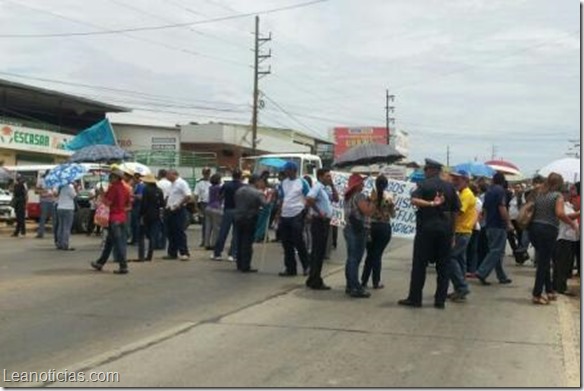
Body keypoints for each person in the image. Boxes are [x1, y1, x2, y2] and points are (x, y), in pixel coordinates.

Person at [398, 158, 460, 309]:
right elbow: (455, 212)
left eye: (426, 169)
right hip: (445, 230)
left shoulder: (424, 184)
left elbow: (414, 200)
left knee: (419, 265)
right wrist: (453, 233)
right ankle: (440, 301)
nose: (424, 172)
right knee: (443, 266)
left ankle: (415, 298)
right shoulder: (450, 187)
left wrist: (430, 204)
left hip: (426, 229)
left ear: (432, 170)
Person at [529, 173, 579, 304]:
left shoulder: (540, 194)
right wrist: (572, 222)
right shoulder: (557, 196)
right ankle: (537, 294)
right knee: (544, 263)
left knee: (544, 260)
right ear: (558, 184)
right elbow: (560, 213)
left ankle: (549, 290)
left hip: (535, 228)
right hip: (548, 230)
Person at [474, 173, 514, 285]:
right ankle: (482, 272)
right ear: (503, 181)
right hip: (498, 225)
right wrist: (508, 223)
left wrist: (485, 222)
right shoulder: (500, 191)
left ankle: (501, 276)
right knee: (496, 251)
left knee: (496, 251)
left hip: (490, 224)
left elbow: (485, 209)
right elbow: (502, 208)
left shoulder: (489, 192)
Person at [91, 169, 132, 274]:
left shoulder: (113, 188)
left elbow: (107, 202)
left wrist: (101, 195)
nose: (110, 178)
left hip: (114, 218)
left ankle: (123, 266)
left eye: (111, 177)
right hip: (122, 218)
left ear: (116, 178)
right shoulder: (125, 189)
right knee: (110, 242)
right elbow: (128, 206)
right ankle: (100, 262)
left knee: (118, 243)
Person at [447, 169, 476, 302]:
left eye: (457, 179)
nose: (455, 181)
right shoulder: (462, 193)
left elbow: (458, 211)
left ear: (466, 181)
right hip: (463, 231)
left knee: (450, 258)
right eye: (454, 179)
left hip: (461, 231)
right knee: (459, 260)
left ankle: (462, 286)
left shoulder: (466, 194)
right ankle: (460, 289)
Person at [361, 174, 395, 290]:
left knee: (370, 255)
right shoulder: (389, 198)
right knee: (377, 255)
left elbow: (366, 213)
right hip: (384, 228)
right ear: (386, 185)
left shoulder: (369, 197)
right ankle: (376, 281)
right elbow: (393, 214)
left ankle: (364, 281)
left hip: (371, 227)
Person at [343, 173, 374, 298]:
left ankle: (350, 285)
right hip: (358, 230)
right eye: (361, 182)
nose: (363, 184)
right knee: (355, 259)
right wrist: (373, 201)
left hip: (349, 228)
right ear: (356, 185)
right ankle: (355, 286)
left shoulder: (348, 197)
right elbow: (367, 211)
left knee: (351, 258)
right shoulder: (359, 196)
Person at [278, 161, 311, 277]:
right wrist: (278, 215)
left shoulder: (302, 182)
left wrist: (307, 212)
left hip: (297, 213)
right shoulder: (283, 183)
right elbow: (282, 198)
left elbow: (309, 197)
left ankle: (307, 266)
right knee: (286, 243)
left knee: (298, 241)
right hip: (285, 214)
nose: (285, 172)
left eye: (287, 170)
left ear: (293, 170)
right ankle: (290, 268)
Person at [305, 168, 334, 290]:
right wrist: (320, 212)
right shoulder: (317, 187)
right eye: (327, 176)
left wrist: (332, 186)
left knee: (318, 251)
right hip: (319, 222)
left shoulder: (325, 189)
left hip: (324, 222)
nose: (330, 178)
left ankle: (312, 278)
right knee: (318, 252)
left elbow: (336, 198)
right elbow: (309, 199)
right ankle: (316, 280)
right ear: (320, 177)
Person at [233, 175, 268, 273]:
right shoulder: (257, 193)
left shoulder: (239, 190)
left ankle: (239, 263)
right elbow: (265, 204)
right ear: (256, 181)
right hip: (250, 218)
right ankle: (245, 265)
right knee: (247, 242)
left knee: (239, 241)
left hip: (238, 217)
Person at [552, 187, 579, 295]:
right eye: (567, 192)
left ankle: (557, 285)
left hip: (569, 237)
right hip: (563, 237)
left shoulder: (568, 204)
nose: (570, 194)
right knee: (562, 264)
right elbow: (566, 216)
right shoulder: (561, 204)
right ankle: (560, 286)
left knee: (564, 263)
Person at [212, 168, 243, 261]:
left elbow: (219, 196)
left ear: (232, 175)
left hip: (228, 209)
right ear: (240, 176)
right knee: (236, 233)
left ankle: (217, 253)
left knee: (223, 232)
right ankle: (233, 254)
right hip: (238, 210)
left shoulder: (226, 185)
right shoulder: (243, 186)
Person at [164, 169, 193, 261]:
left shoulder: (182, 183)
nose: (167, 177)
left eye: (168, 175)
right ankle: (172, 253)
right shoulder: (172, 184)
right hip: (170, 209)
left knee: (179, 231)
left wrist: (179, 205)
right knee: (171, 232)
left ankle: (184, 252)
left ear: (174, 174)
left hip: (178, 210)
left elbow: (188, 196)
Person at [138, 174, 165, 262]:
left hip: (147, 215)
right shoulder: (159, 190)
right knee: (153, 235)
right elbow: (162, 204)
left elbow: (144, 204)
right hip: (156, 214)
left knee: (145, 234)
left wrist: (141, 214)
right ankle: (150, 255)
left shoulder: (146, 190)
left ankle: (143, 255)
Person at [465, 183, 482, 276]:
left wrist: (472, 224)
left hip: (473, 227)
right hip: (472, 226)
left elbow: (477, 215)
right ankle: (470, 269)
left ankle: (471, 269)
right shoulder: (475, 200)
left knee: (472, 249)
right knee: (470, 249)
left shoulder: (476, 201)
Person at [55, 182, 77, 251]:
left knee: (60, 226)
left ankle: (59, 243)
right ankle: (65, 244)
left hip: (60, 207)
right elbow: (74, 196)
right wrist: (75, 188)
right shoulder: (70, 188)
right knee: (66, 227)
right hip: (68, 208)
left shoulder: (60, 187)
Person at [204, 173, 223, 250]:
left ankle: (206, 243)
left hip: (208, 207)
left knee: (208, 227)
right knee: (216, 227)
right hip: (216, 207)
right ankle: (214, 244)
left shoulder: (210, 187)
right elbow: (220, 197)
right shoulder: (219, 188)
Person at [194, 167, 212, 248]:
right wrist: (196, 207)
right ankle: (204, 240)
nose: (206, 174)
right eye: (205, 172)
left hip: (212, 204)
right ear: (203, 173)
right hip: (204, 204)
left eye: (208, 172)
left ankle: (211, 241)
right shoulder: (199, 183)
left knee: (213, 224)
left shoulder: (214, 181)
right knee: (205, 224)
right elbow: (196, 195)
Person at [35, 171, 56, 239]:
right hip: (44, 201)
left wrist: (53, 192)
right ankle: (40, 233)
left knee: (54, 218)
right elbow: (36, 191)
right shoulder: (41, 181)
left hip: (52, 201)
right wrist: (45, 191)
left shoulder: (53, 181)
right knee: (43, 217)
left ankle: (55, 233)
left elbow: (55, 190)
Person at [156, 169, 171, 250]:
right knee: (165, 225)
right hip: (167, 206)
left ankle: (157, 243)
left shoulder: (158, 184)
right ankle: (163, 243)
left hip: (159, 206)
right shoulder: (170, 183)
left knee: (158, 225)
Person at [129, 172, 144, 245]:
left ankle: (136, 239)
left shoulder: (141, 186)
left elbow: (141, 197)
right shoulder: (135, 185)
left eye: (133, 178)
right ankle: (134, 239)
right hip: (134, 206)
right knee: (133, 224)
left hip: (138, 207)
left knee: (136, 223)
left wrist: (132, 195)